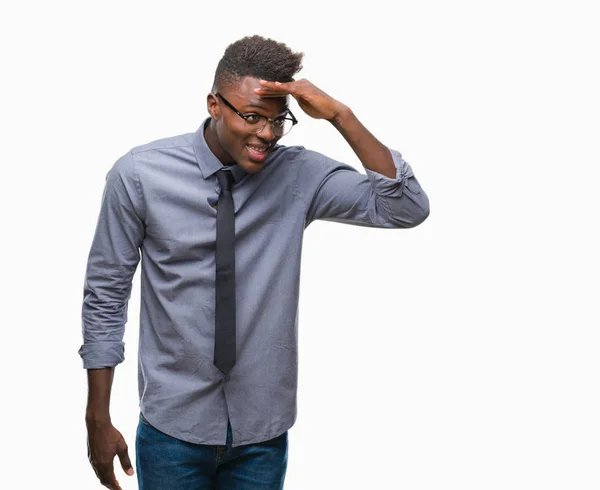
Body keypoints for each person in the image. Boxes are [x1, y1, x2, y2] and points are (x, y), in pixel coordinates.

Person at [80, 34, 430, 490]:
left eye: (277, 120)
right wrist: (97, 417)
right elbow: (106, 293)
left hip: (262, 432)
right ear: (214, 104)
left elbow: (405, 208)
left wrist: (341, 116)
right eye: (251, 117)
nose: (266, 133)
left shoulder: (298, 175)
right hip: (172, 429)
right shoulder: (140, 175)